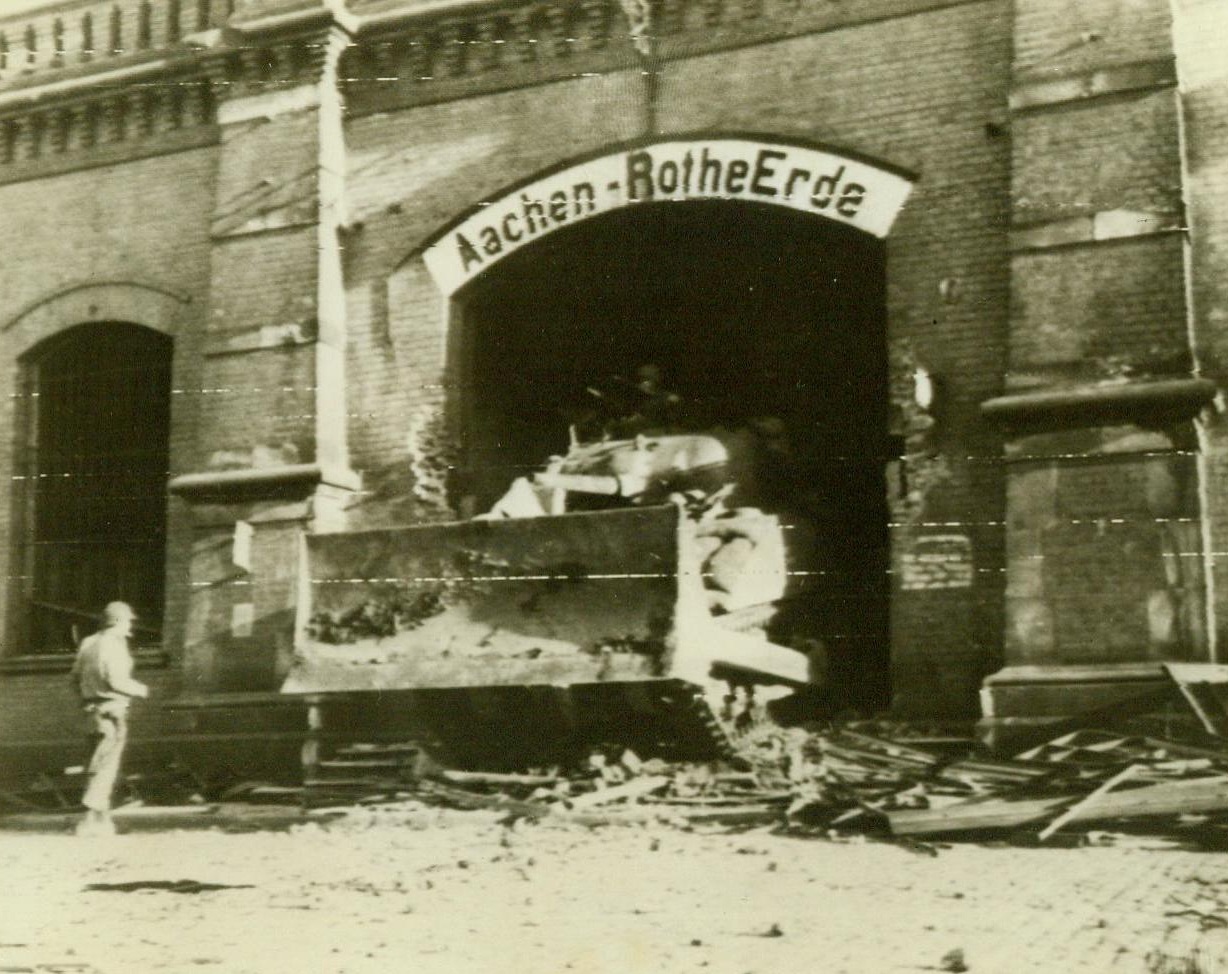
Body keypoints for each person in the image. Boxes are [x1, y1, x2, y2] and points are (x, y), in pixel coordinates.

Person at [69, 601, 148, 836]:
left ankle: (103, 822)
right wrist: (141, 690)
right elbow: (116, 680)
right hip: (112, 713)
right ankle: (87, 820)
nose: (130, 626)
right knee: (105, 768)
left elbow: (74, 679)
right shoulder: (114, 644)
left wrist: (87, 700)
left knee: (97, 765)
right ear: (116, 621)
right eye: (128, 621)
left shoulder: (88, 642)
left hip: (91, 714)